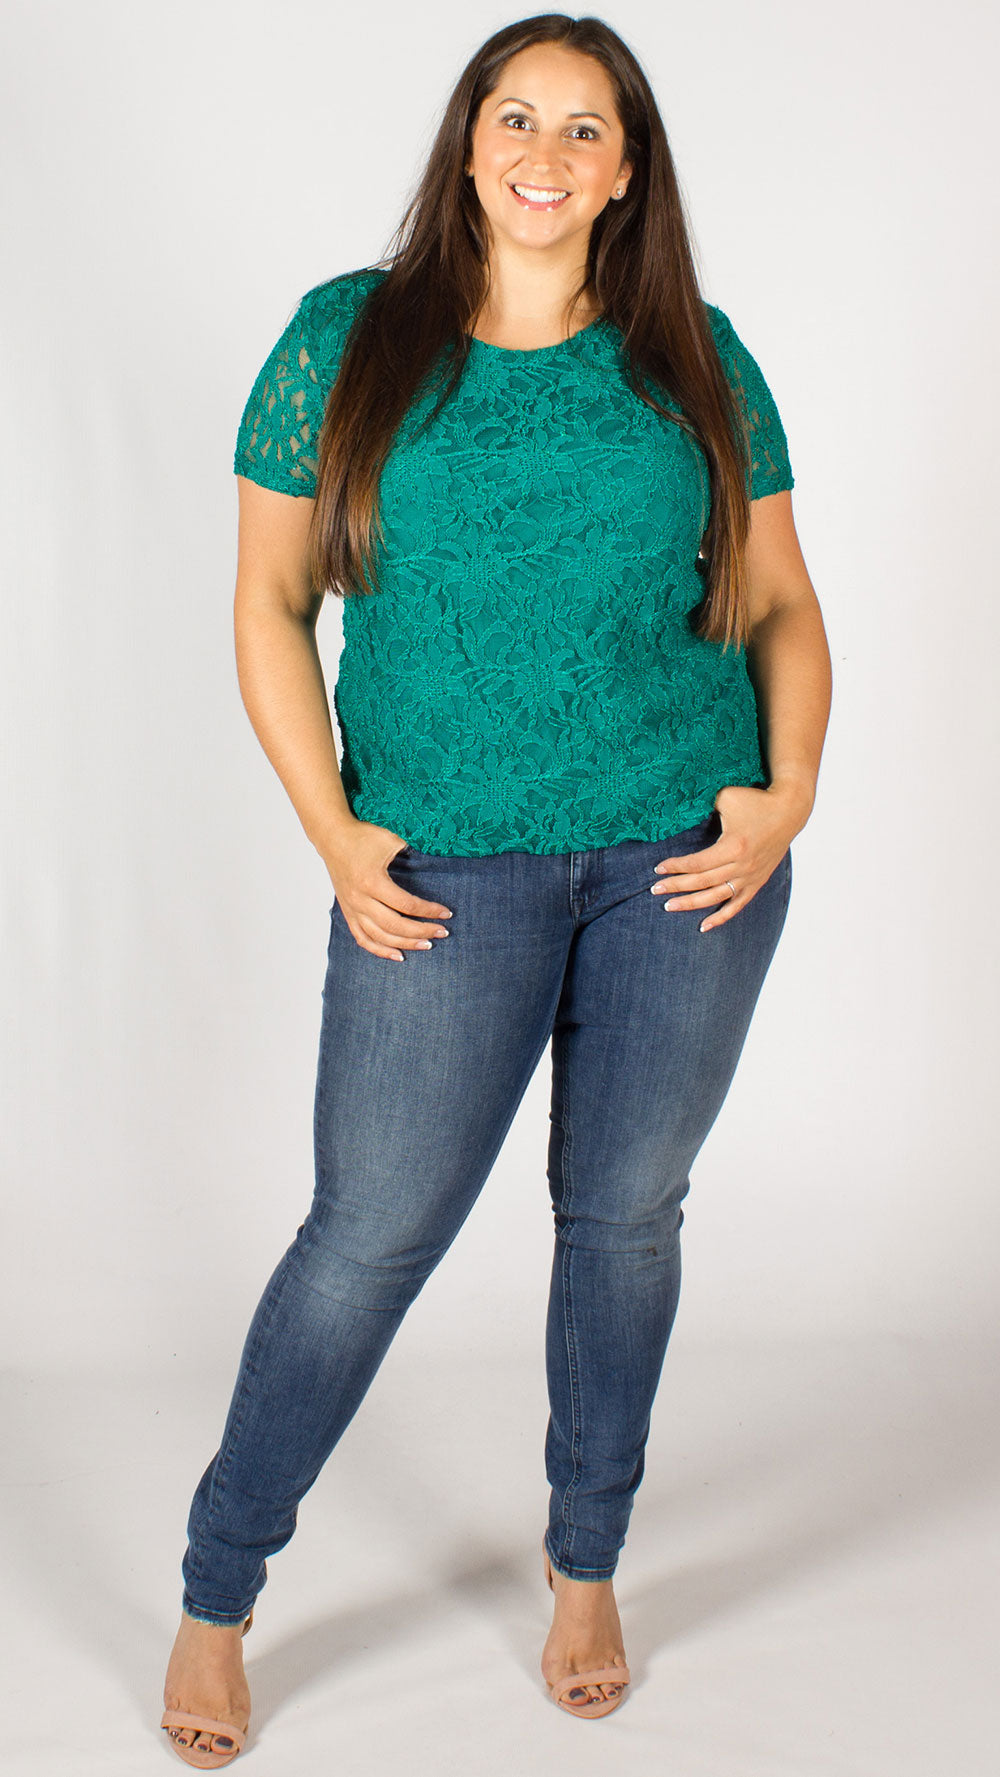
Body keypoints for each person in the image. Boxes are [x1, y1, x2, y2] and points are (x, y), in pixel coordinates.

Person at [161, 13, 831, 1763]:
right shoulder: (346, 340)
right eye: (515, 118)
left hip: (685, 865)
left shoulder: (698, 357)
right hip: (438, 870)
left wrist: (786, 798)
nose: (546, 153)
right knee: (367, 1235)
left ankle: (585, 1562)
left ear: (626, 170)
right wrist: (333, 829)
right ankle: (220, 1586)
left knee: (625, 1220)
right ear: (468, 146)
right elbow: (267, 602)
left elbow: (779, 599)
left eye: (584, 129)